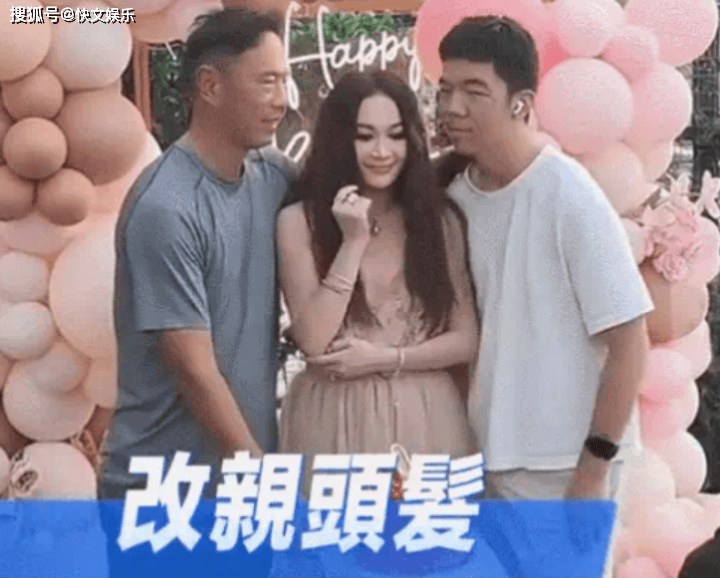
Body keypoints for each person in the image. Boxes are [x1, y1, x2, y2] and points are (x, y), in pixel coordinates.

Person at [436, 14, 653, 576]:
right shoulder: (455, 196)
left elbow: (631, 340)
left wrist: (593, 469)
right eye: (446, 89)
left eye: (474, 91)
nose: (453, 106)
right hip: (488, 460)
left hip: (564, 468)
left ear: (521, 103)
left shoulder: (567, 193)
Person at [97, 7, 297, 577]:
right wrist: (262, 476)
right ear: (210, 85)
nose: (282, 100)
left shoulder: (273, 177)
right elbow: (193, 369)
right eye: (267, 81)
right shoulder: (167, 205)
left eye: (284, 81)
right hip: (162, 495)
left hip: (236, 491)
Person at [276, 70, 478, 493]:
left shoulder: (438, 221)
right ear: (340, 140)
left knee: (426, 535)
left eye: (396, 135)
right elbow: (313, 338)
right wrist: (352, 242)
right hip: (334, 417)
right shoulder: (299, 221)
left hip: (427, 415)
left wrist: (385, 359)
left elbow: (465, 340)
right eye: (365, 136)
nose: (382, 151)